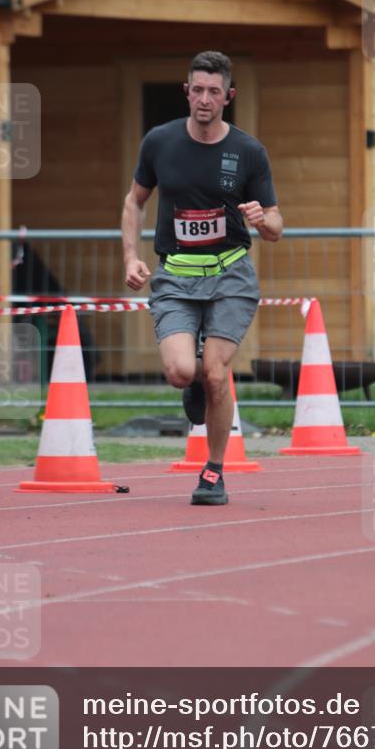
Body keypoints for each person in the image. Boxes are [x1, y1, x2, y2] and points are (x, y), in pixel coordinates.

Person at [122, 51, 283, 506]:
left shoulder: (248, 152)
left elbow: (275, 226)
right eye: (197, 89)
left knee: (216, 373)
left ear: (228, 97)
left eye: (214, 91)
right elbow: (134, 202)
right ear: (187, 92)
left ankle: (213, 471)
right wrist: (132, 257)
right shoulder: (159, 142)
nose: (204, 99)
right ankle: (191, 382)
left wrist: (262, 220)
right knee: (182, 371)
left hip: (230, 274)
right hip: (175, 275)